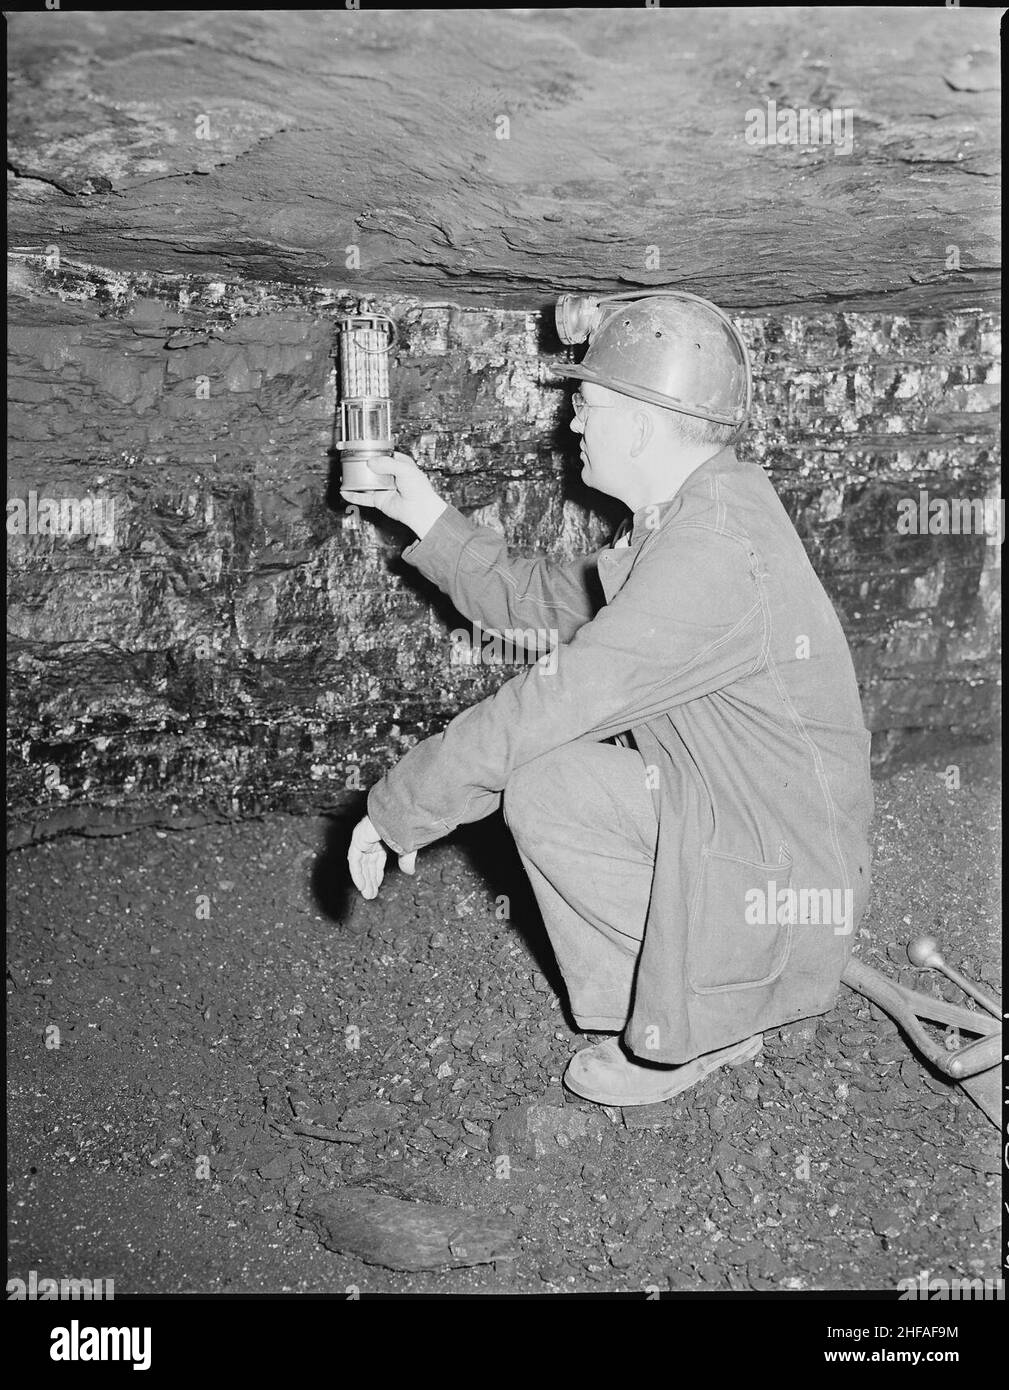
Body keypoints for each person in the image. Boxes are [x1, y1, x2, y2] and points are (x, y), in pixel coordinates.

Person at [344, 292, 874, 1107]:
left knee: (548, 778)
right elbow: (545, 603)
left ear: (638, 424)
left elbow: (558, 701)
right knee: (555, 784)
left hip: (783, 883)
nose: (573, 426)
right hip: (745, 833)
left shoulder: (711, 555)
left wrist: (400, 806)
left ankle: (709, 1023)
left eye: (586, 406)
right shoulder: (699, 513)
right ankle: (675, 994)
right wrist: (426, 515)